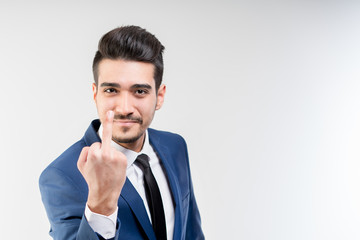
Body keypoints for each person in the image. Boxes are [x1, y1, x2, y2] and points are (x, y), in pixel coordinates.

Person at [39, 25, 204, 240]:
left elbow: (192, 232)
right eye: (111, 90)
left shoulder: (175, 146)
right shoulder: (61, 176)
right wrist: (101, 205)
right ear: (95, 93)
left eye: (140, 91)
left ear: (159, 96)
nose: (125, 107)